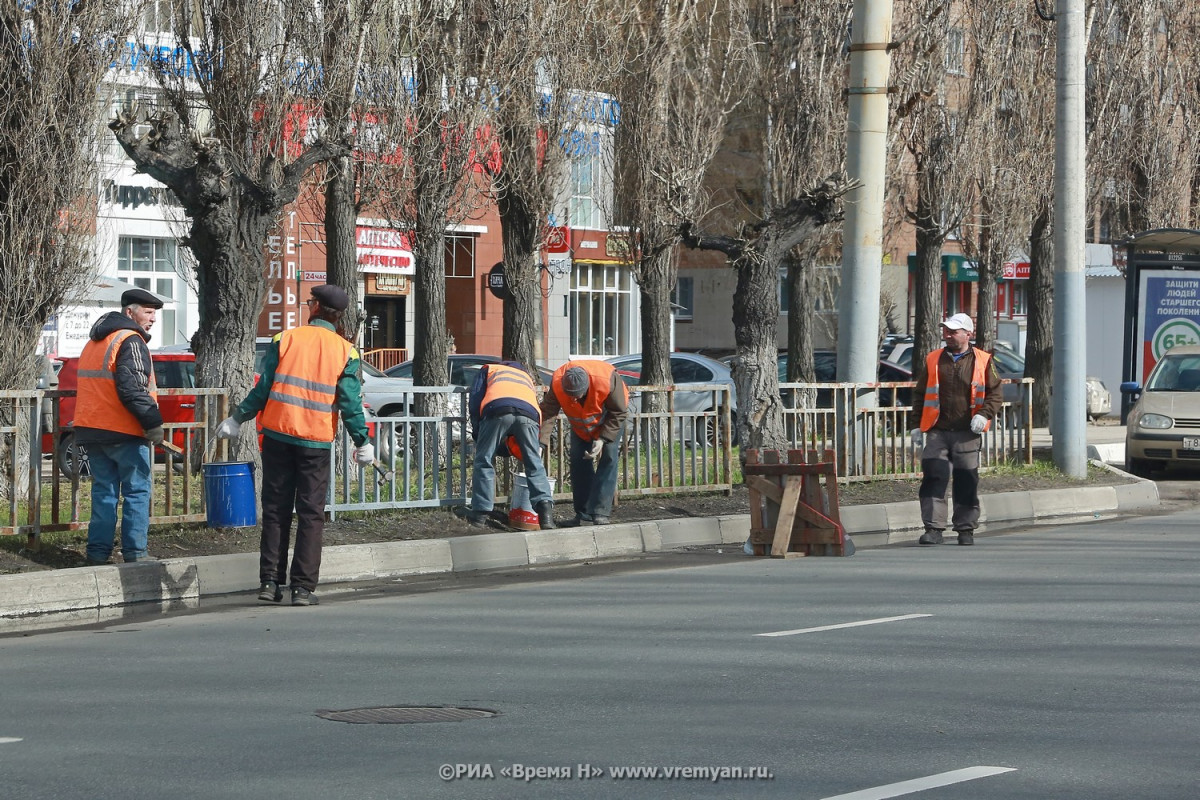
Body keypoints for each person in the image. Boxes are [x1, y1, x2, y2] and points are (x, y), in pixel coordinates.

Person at [216, 284, 373, 606]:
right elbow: (349, 401)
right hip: (314, 442)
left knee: (275, 511)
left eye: (310, 302)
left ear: (315, 307)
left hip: (277, 435)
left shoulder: (284, 339)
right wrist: (362, 440)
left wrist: (237, 418)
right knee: (311, 514)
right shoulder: (347, 351)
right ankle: (302, 589)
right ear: (339, 316)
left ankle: (270, 584)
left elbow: (264, 389)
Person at [75, 288, 166, 565]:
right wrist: (152, 423)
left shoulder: (95, 342)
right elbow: (133, 389)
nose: (153, 319)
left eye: (154, 313)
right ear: (130, 312)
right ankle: (135, 554)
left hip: (92, 429)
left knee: (104, 492)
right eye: (148, 312)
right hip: (124, 431)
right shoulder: (131, 340)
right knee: (137, 492)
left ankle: (97, 554)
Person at [908, 312, 1003, 546]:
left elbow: (995, 393)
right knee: (934, 477)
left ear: (968, 334)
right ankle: (933, 529)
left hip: (967, 433)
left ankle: (965, 529)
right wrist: (916, 426)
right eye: (946, 331)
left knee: (966, 480)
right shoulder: (933, 359)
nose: (947, 335)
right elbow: (921, 394)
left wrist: (983, 414)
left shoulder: (983, 360)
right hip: (938, 431)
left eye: (953, 331)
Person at [460, 361, 555, 530]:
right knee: (534, 463)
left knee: (484, 460)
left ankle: (480, 514)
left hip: (497, 409)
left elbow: (475, 399)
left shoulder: (489, 369)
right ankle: (545, 514)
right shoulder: (526, 376)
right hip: (530, 415)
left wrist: (477, 431)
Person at [539, 360, 629, 527]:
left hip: (609, 420)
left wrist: (602, 439)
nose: (574, 398)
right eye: (570, 395)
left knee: (609, 459)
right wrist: (540, 443)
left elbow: (619, 412)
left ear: (587, 385)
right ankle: (584, 514)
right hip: (580, 426)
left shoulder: (606, 379)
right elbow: (548, 412)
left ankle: (600, 512)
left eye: (578, 394)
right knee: (578, 462)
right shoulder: (558, 381)